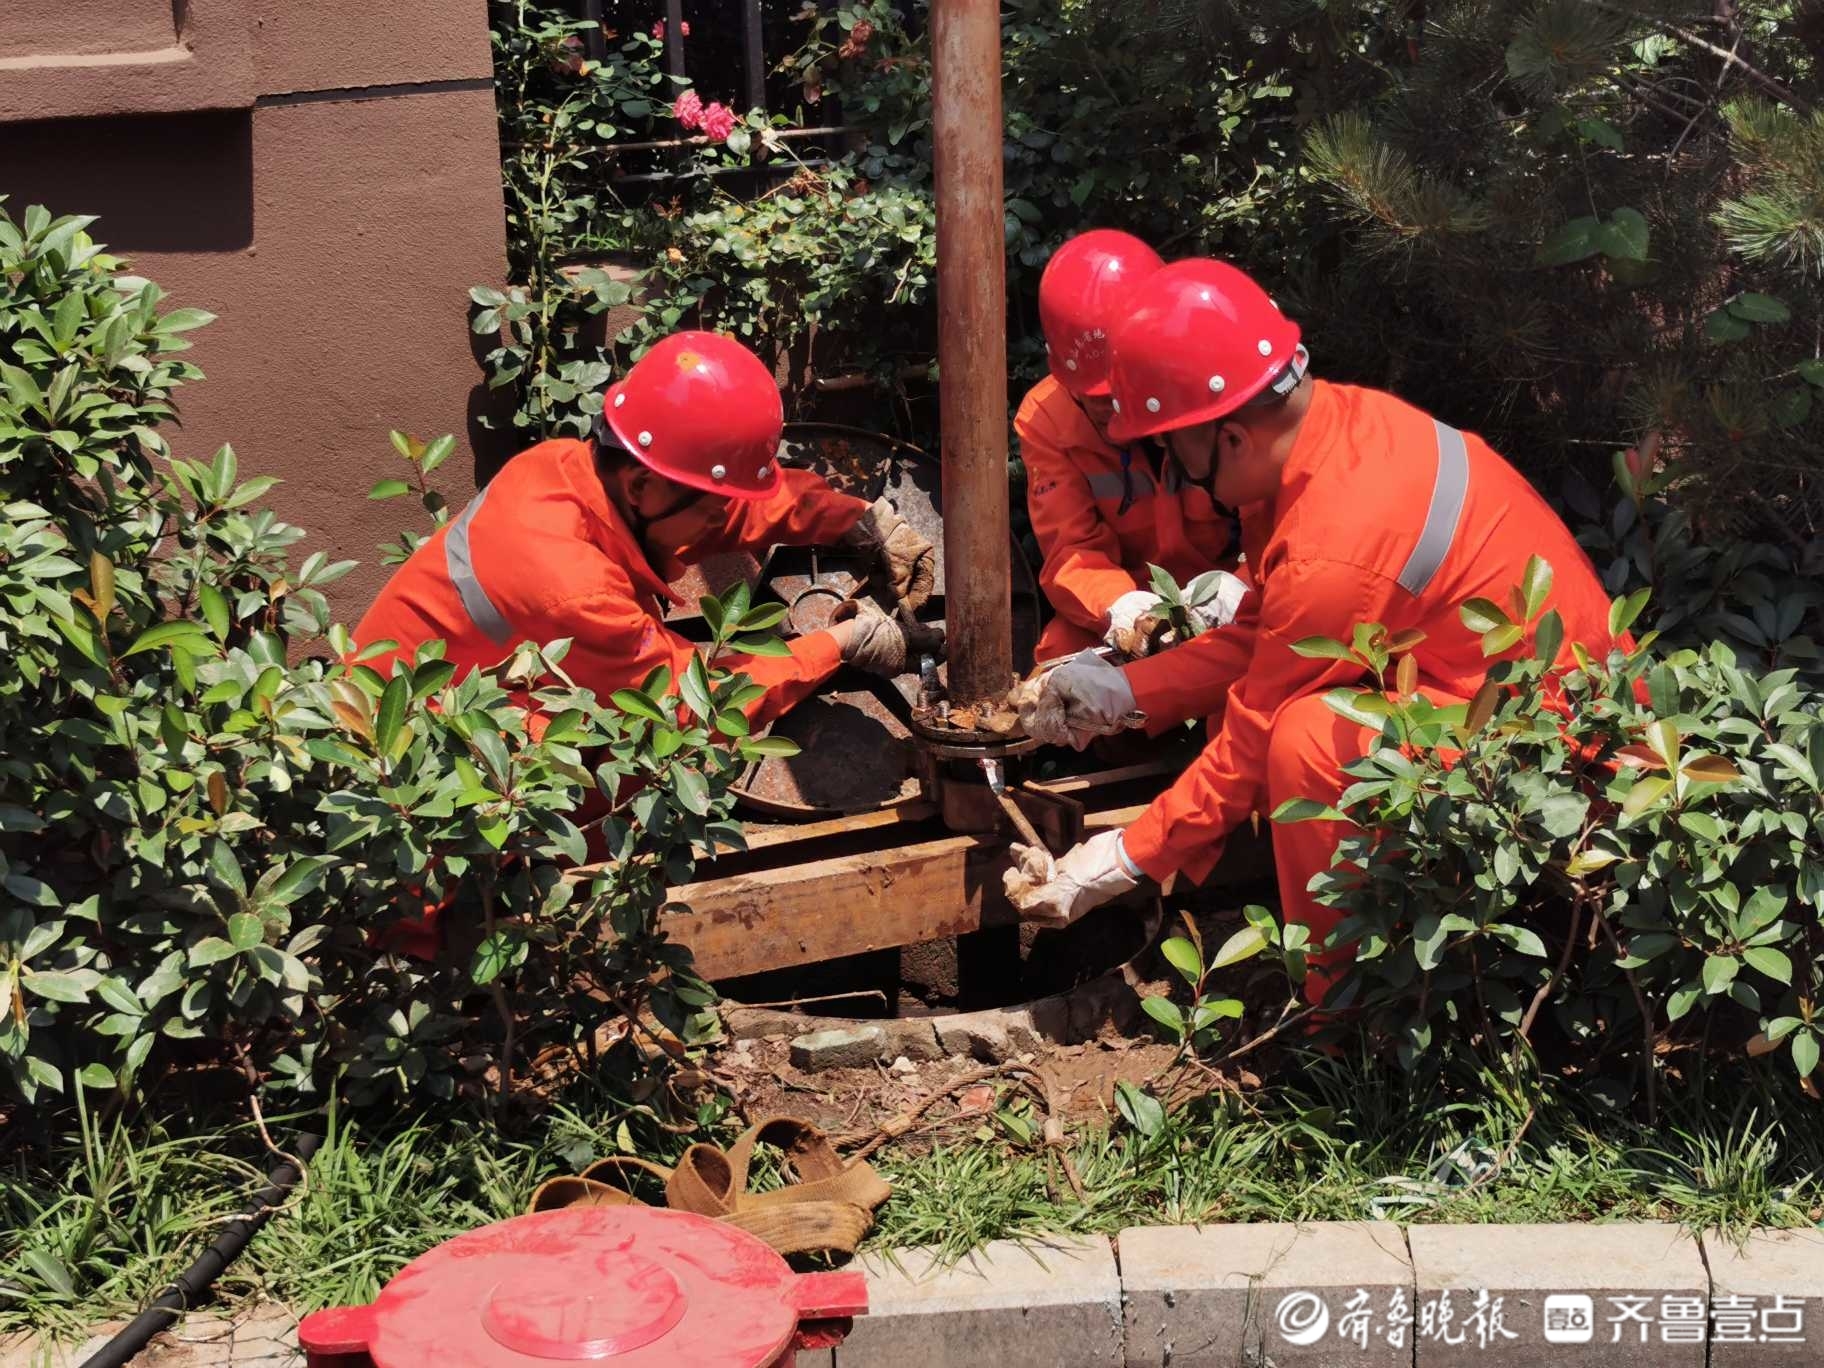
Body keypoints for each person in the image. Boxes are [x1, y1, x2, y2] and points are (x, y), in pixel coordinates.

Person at [1006, 259, 1629, 1003]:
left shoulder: (1332, 543)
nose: (1171, 466)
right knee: (1299, 724)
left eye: (1173, 447)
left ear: (1227, 435)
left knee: (1306, 743)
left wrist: (1117, 860)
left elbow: (1250, 740)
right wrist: (1124, 689)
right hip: (1498, 693)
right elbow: (1269, 632)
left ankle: (1340, 1019)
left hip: (1565, 754)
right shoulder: (1330, 431)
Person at [355, 331, 942, 728]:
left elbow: (716, 508)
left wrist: (853, 521)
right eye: (711, 507)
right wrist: (836, 645)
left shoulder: (568, 466)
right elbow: (690, 704)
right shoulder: (567, 585)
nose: (721, 520)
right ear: (641, 487)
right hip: (414, 803)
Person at [1019, 230, 1247, 664]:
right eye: (1099, 399)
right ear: (1068, 381)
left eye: (1125, 392)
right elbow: (1072, 549)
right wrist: (1124, 608)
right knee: (1058, 664)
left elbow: (1278, 523)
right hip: (1129, 602)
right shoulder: (1048, 419)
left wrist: (1241, 589)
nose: (1116, 412)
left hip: (1231, 594)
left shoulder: (1217, 384)